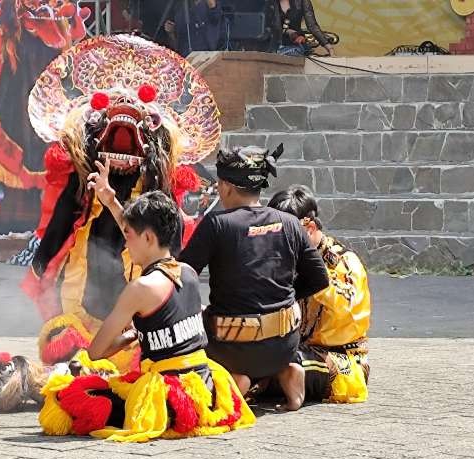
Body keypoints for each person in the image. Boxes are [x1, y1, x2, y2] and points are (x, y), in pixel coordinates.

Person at [38, 188, 255, 442]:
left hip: (166, 402)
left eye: (128, 237)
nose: (125, 244)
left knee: (66, 397)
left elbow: (96, 352)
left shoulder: (140, 288)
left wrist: (130, 335)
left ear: (149, 238)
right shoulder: (189, 273)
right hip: (206, 392)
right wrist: (111, 201)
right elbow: (137, 230)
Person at [178, 145, 329, 411]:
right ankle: (287, 372)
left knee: (197, 337)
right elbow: (319, 279)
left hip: (231, 348)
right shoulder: (290, 223)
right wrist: (286, 299)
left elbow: (181, 275)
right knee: (272, 341)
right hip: (283, 346)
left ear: (225, 186)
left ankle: (236, 380)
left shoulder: (217, 225)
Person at [268, 185, 370, 403]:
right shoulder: (285, 260)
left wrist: (313, 273)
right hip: (295, 349)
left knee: (285, 363)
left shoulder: (344, 261)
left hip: (340, 361)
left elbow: (348, 307)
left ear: (310, 228)